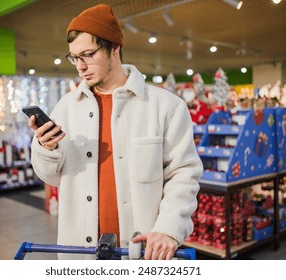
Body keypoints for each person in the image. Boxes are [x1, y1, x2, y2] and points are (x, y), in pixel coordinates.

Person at [29, 4, 202, 260]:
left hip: (142, 252)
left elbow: (183, 174)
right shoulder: (65, 108)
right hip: (79, 253)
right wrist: (46, 148)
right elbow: (51, 178)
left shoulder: (166, 106)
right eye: (74, 57)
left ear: (114, 48)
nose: (80, 66)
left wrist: (168, 229)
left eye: (88, 54)